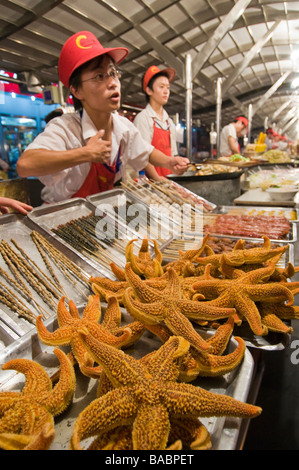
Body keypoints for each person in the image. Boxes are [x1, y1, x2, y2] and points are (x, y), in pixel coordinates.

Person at [16, 31, 188, 203]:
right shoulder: (66, 127)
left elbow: (146, 151)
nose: (112, 82)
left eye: (113, 73)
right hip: (60, 219)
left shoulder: (122, 126)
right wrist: (85, 153)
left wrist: (170, 161)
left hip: (98, 215)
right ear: (76, 90)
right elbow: (25, 165)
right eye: (99, 76)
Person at [133, 65, 179, 179]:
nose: (166, 91)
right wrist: (158, 179)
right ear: (149, 90)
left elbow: (172, 153)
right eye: (161, 87)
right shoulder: (143, 118)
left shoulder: (169, 121)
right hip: (151, 182)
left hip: (170, 179)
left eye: (168, 87)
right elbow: (143, 155)